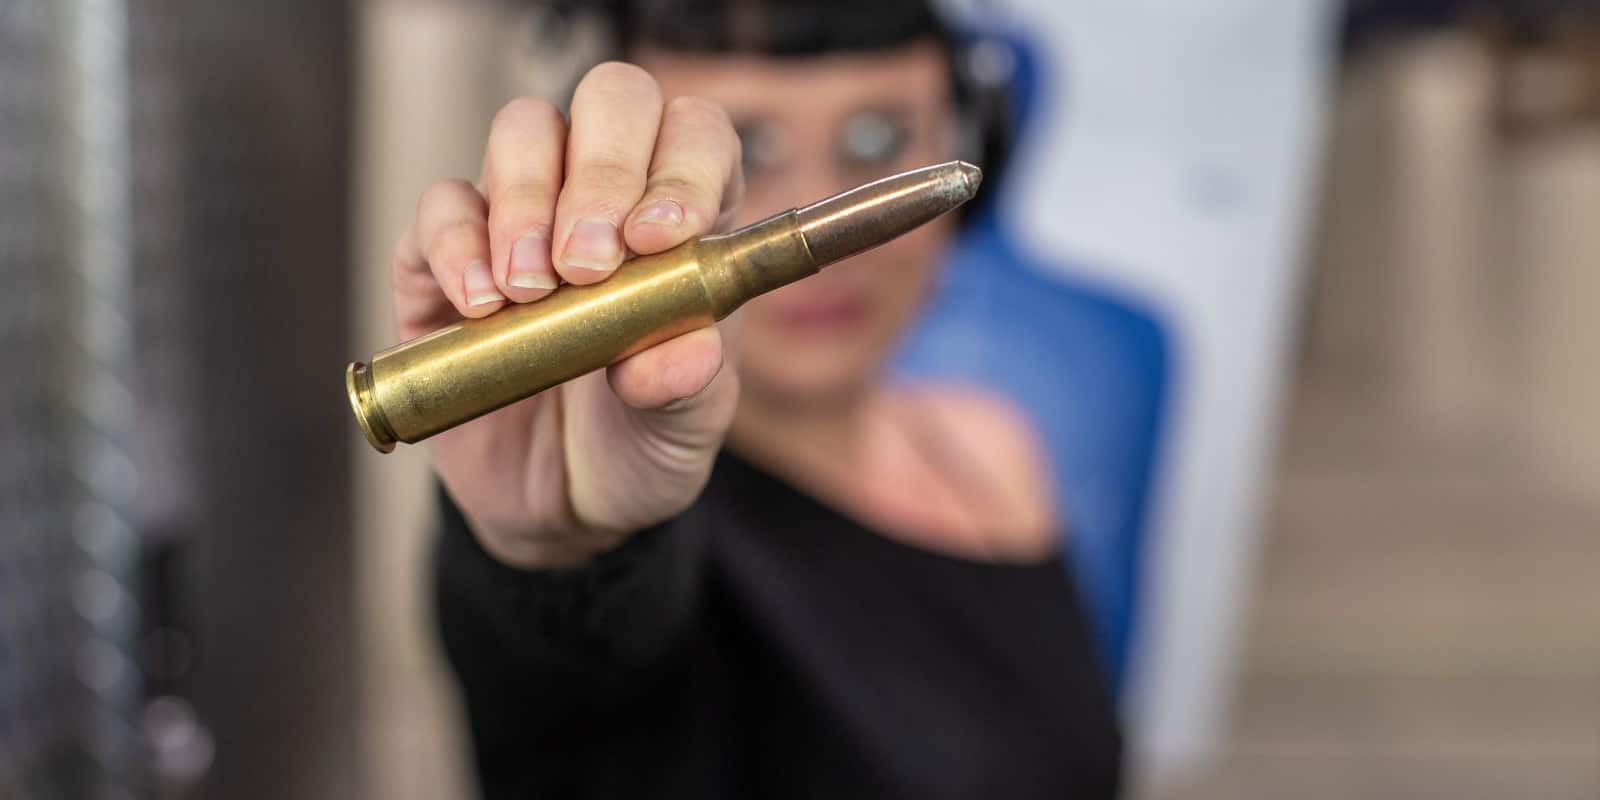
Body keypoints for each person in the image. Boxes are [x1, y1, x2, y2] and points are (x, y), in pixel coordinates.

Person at [394, 1, 1121, 796]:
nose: (819, 224)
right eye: (748, 153)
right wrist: (556, 555)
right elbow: (571, 678)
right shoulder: (619, 519)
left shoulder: (993, 444)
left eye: (877, 141)